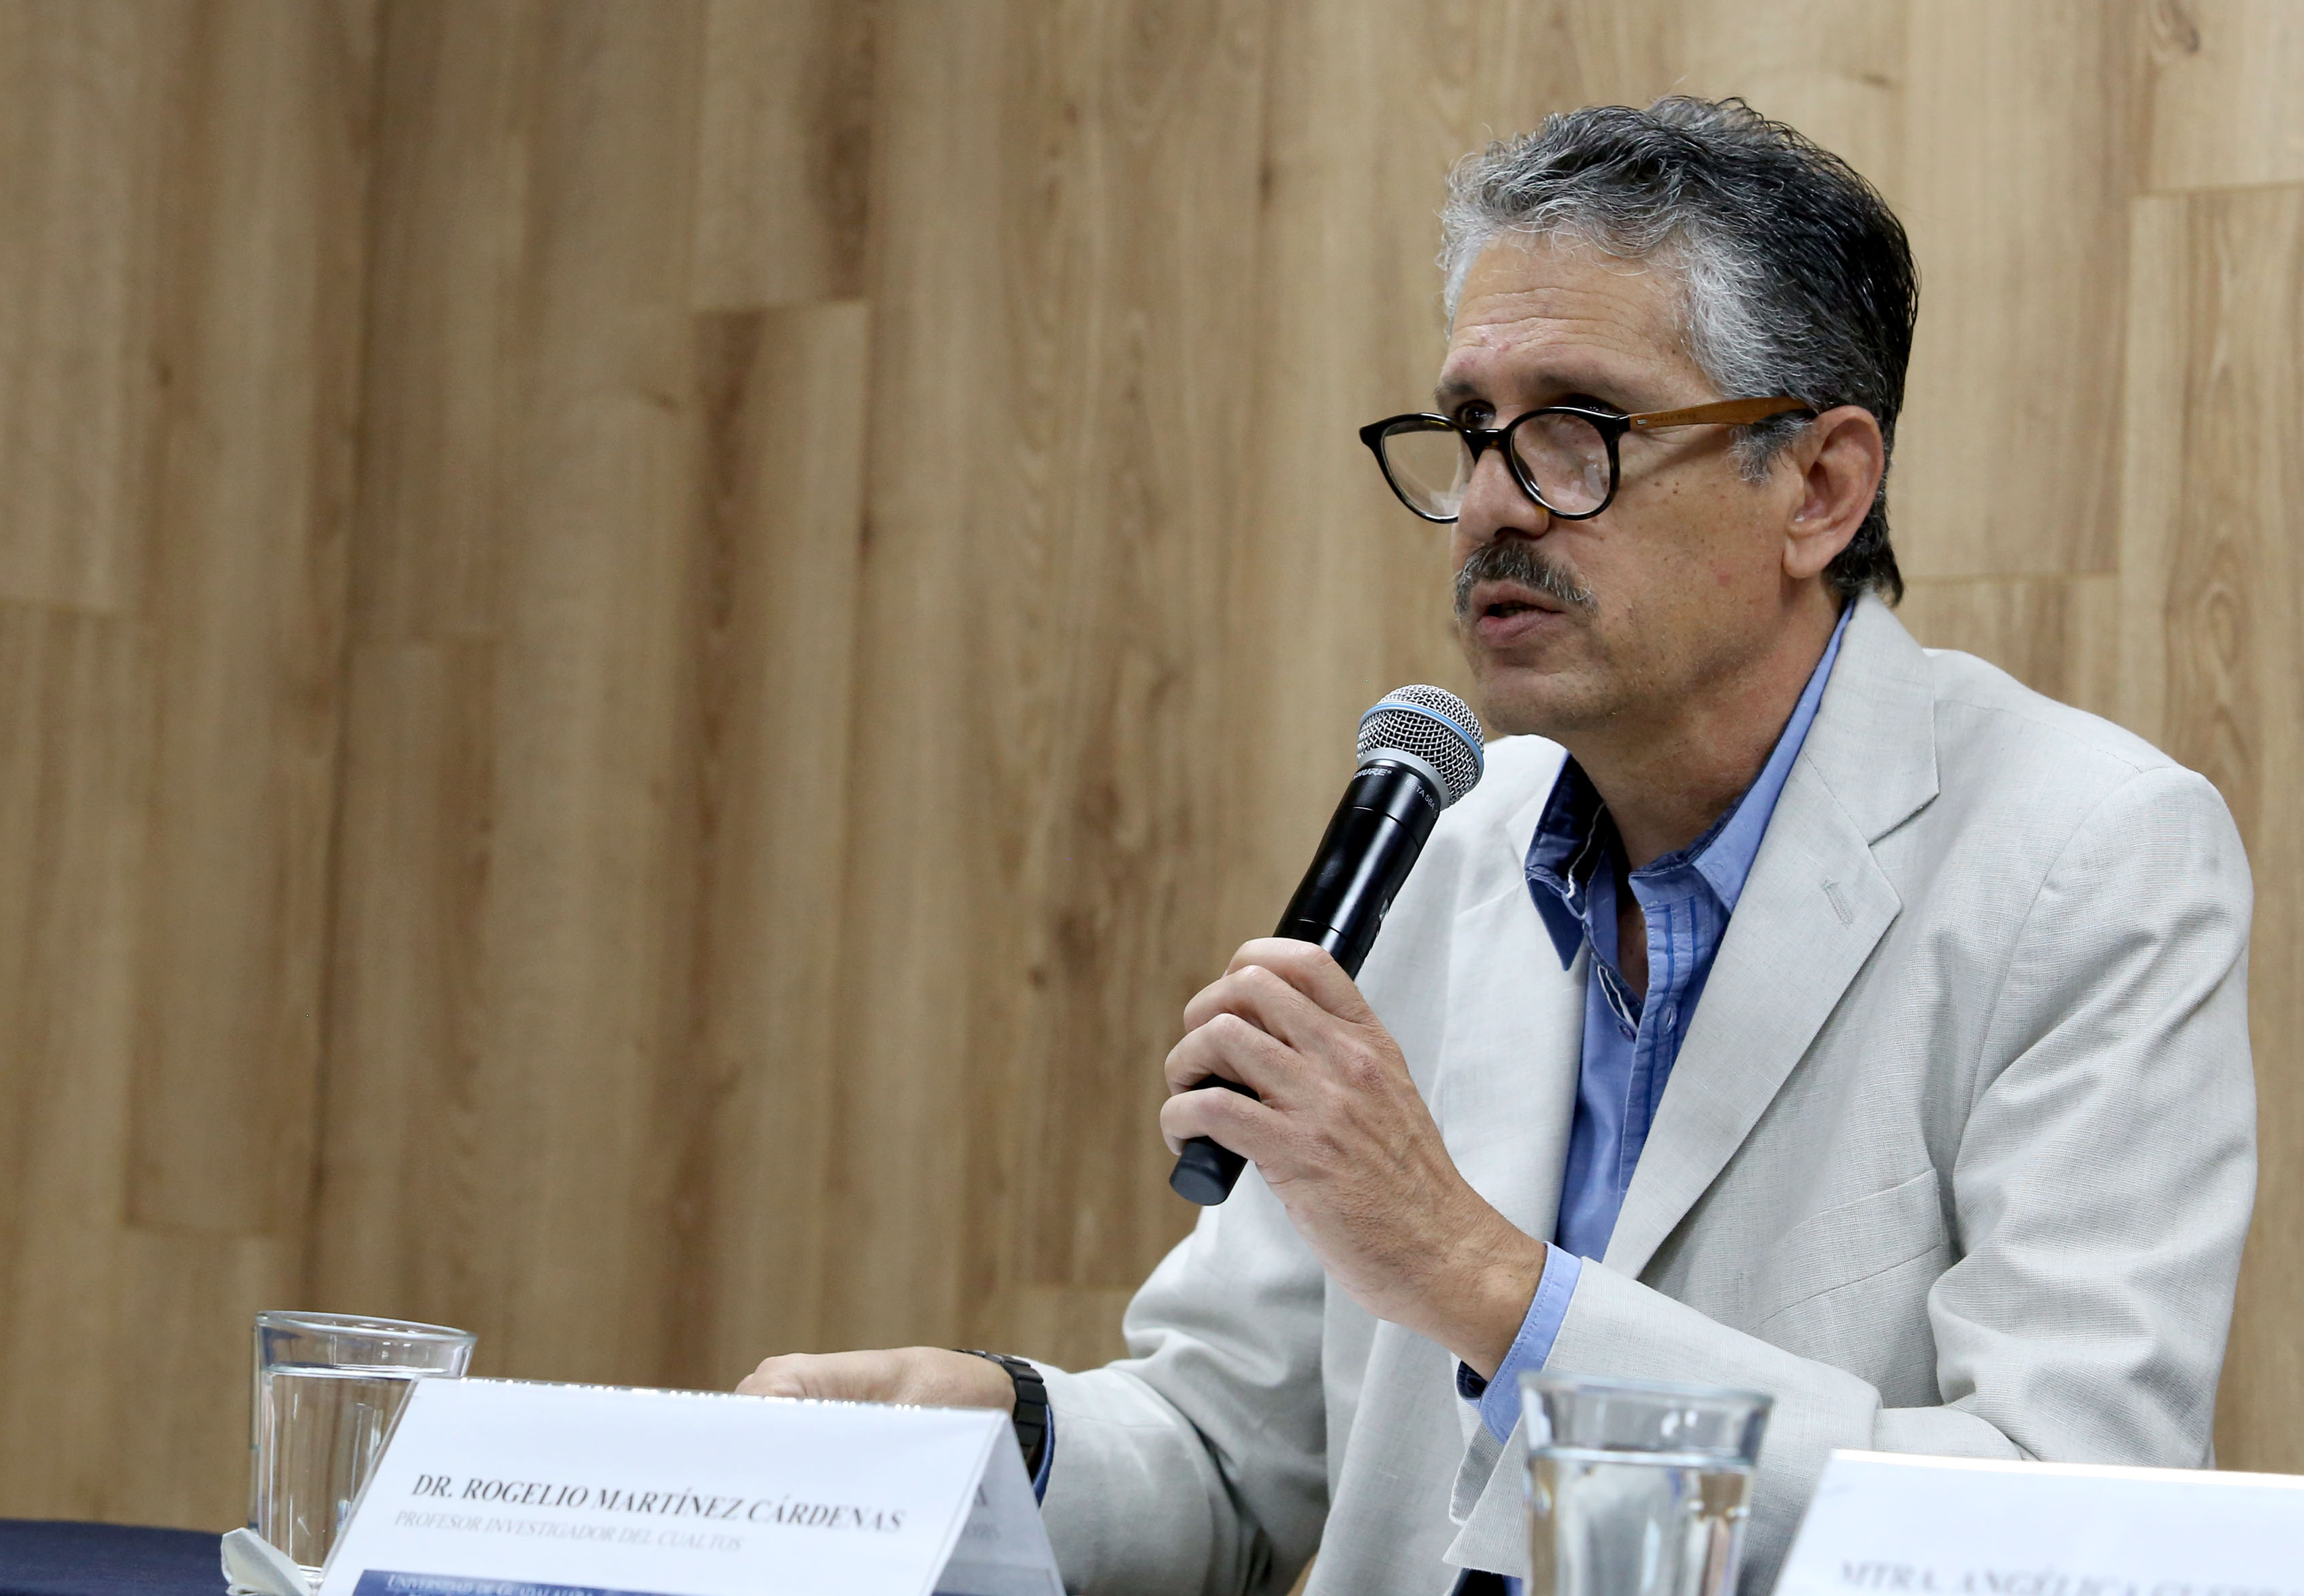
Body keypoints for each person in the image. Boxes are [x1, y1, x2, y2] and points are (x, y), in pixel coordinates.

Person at [739, 98, 2257, 1596]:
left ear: (1818, 486)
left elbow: (2067, 1525)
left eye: (1572, 432)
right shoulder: (1446, 841)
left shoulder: (2089, 859)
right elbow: (1223, 1451)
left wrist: (1482, 1281)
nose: (1483, 509)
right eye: (1471, 431)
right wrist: (998, 1436)